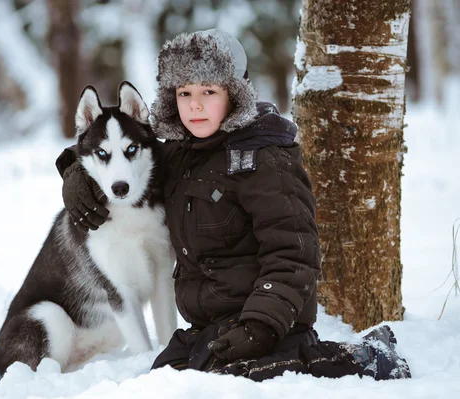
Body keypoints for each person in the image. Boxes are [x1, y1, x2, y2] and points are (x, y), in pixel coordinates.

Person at [57, 29, 411, 382]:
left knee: (238, 376)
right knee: (166, 379)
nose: (195, 105)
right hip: (210, 326)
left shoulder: (264, 158)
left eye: (208, 91)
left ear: (235, 95)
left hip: (270, 320)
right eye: (185, 93)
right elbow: (119, 152)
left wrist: (261, 324)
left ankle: (364, 358)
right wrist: (73, 170)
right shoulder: (180, 154)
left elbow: (293, 252)